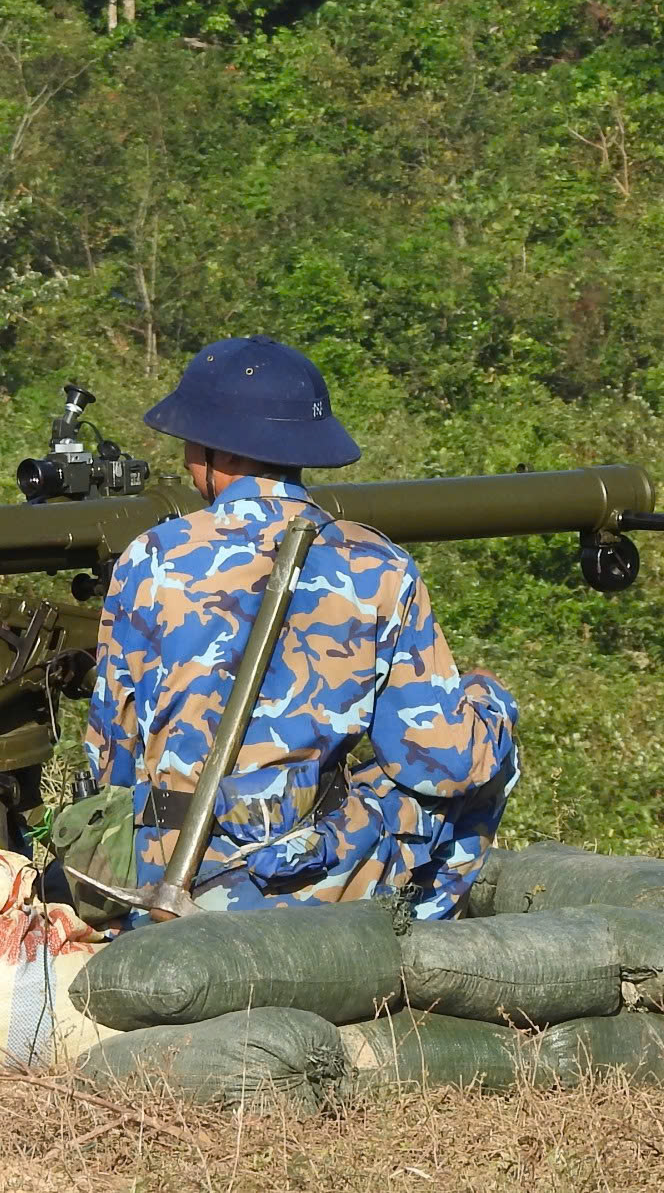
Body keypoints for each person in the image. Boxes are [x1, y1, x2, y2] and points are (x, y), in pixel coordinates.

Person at [83, 336, 519, 922]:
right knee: (489, 738)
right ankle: (413, 929)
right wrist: (491, 704)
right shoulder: (378, 565)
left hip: (163, 866)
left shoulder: (151, 556)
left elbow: (111, 747)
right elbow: (441, 761)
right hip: (310, 872)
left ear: (216, 450)